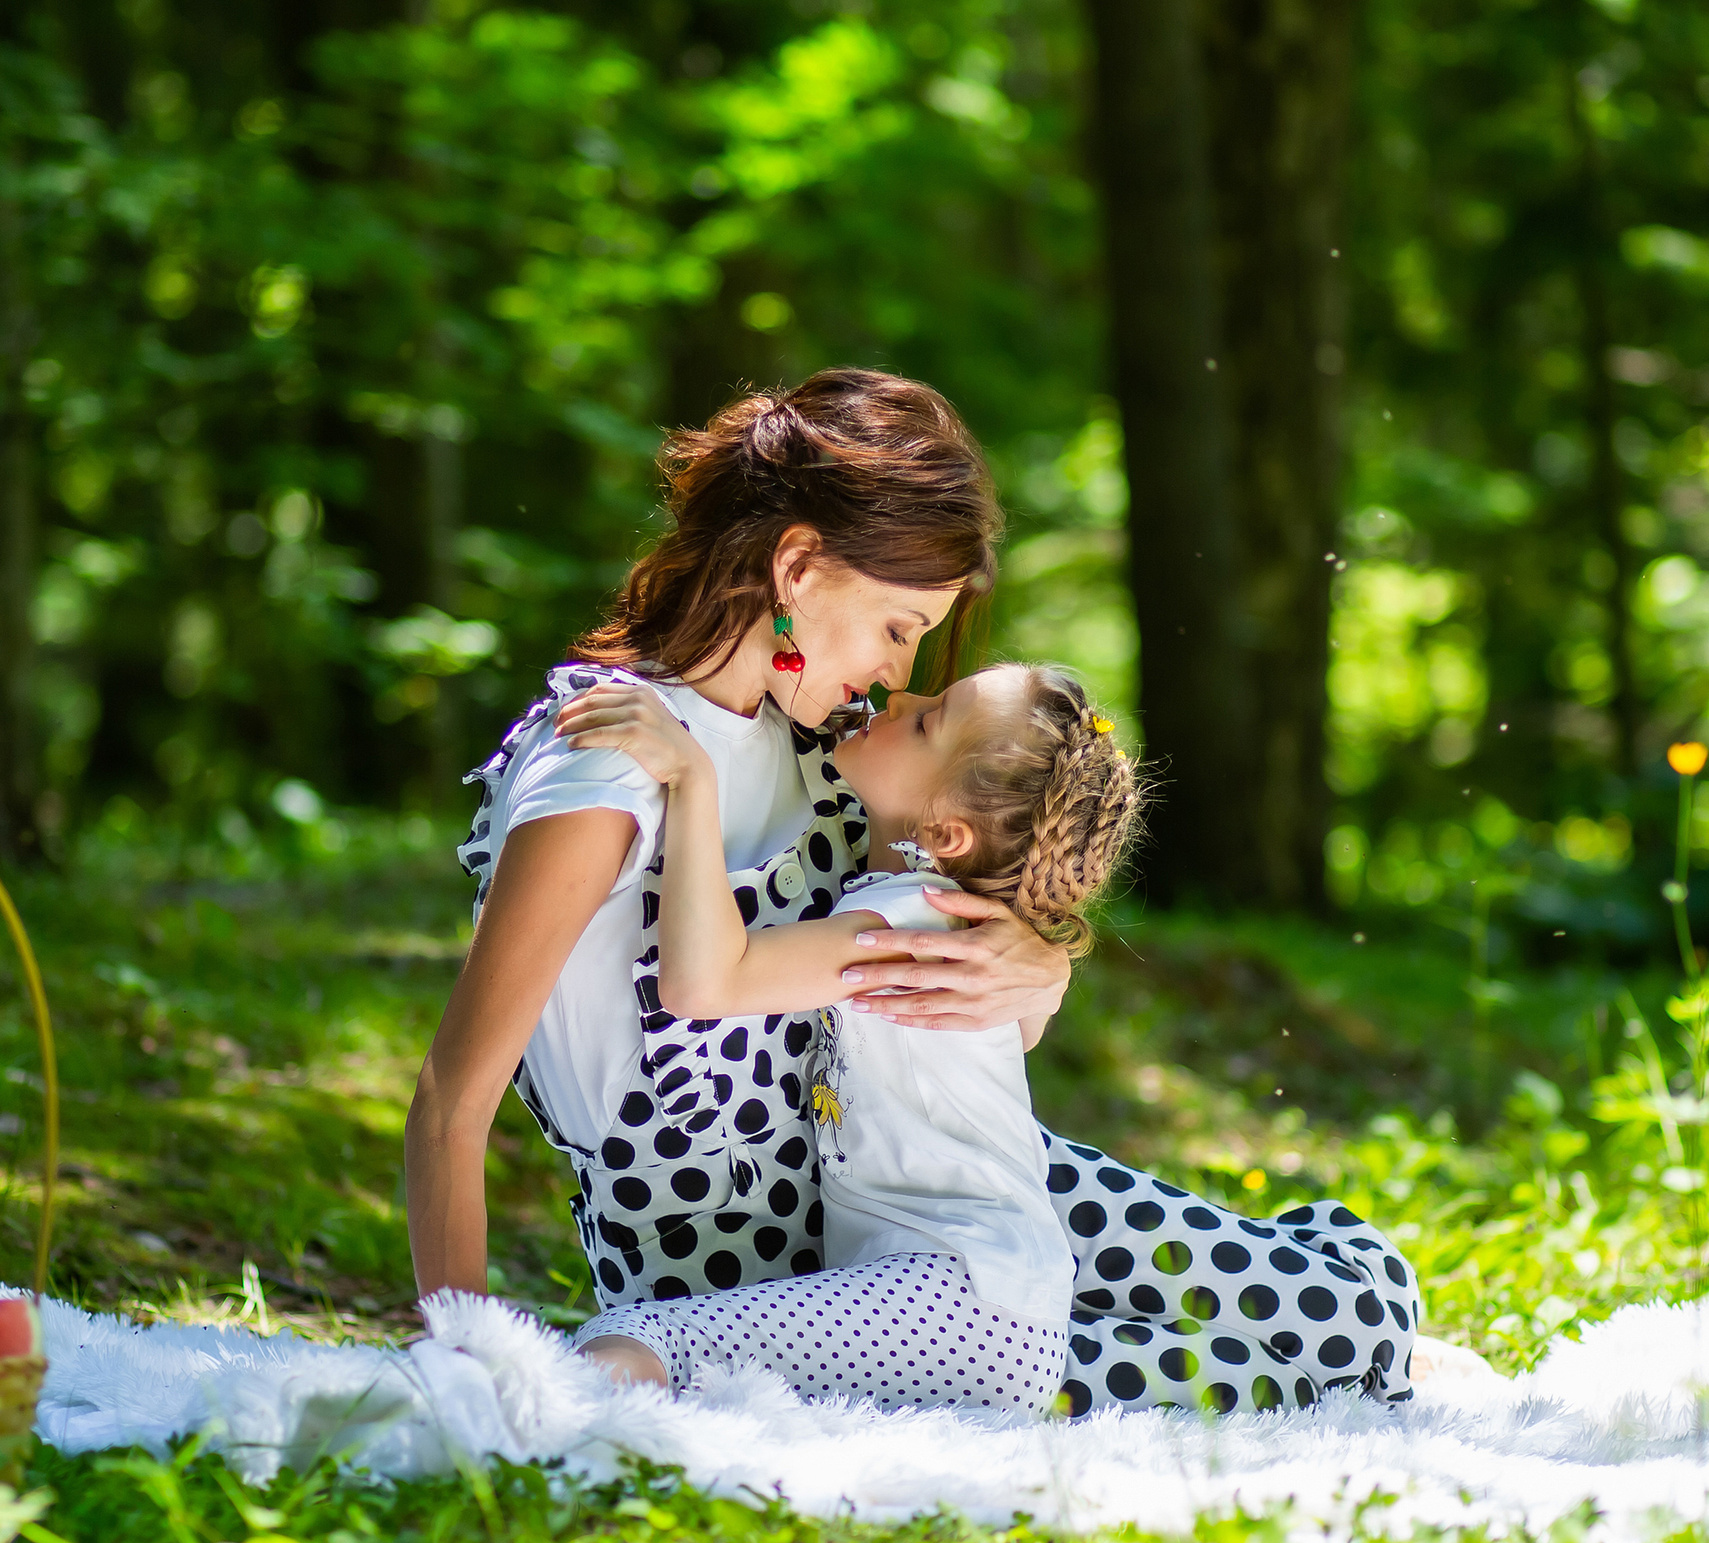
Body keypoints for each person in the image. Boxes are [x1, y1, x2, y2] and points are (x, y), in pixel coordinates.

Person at [405, 366, 1421, 1415]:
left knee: (1339, 1310)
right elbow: (450, 1100)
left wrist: (1037, 958)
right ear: (797, 568)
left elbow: (956, 879)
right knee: (1121, 1363)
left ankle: (1377, 1348)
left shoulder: (811, 743)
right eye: (898, 628)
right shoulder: (608, 770)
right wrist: (470, 1371)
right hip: (768, 1281)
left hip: (913, 1185)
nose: (899, 676)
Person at [553, 662, 1140, 1414]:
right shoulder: (942, 928)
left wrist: (690, 779)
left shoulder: (913, 927)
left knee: (645, 1337)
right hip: (984, 1302)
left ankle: (514, 1427)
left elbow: (703, 986)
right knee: (699, 1368)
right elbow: (1020, 1034)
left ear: (942, 833)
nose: (901, 696)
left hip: (962, 1295)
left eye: (927, 721)